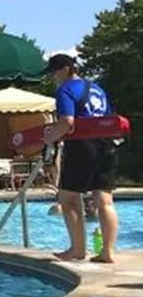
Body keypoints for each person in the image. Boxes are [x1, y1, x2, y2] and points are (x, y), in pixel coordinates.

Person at [42, 54, 120, 263]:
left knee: (68, 198)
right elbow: (108, 118)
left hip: (83, 146)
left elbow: (67, 121)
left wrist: (50, 137)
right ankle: (108, 252)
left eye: (54, 72)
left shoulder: (66, 90)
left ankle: (77, 250)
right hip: (107, 143)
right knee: (104, 200)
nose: (52, 77)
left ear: (66, 69)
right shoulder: (97, 88)